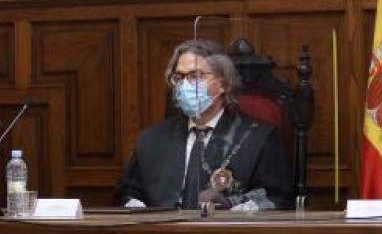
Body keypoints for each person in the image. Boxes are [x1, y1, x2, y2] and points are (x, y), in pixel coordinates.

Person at [115, 39, 293, 210]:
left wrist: (230, 204)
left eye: (196, 76)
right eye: (179, 77)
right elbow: (127, 192)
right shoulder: (151, 139)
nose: (184, 85)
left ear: (224, 83)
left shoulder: (259, 138)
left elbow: (278, 198)